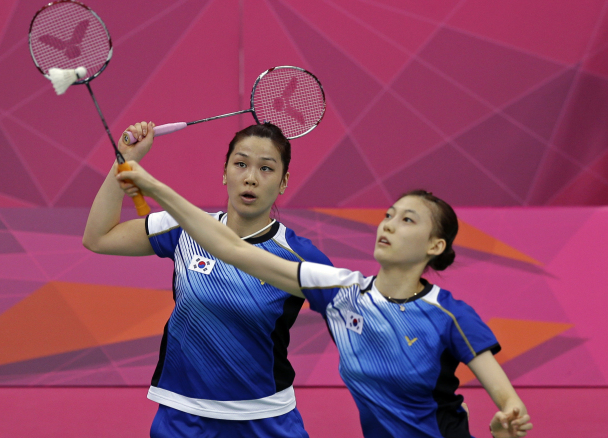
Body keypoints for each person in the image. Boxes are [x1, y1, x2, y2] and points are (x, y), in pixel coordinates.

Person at [114, 160, 534, 438]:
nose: (388, 225)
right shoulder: (342, 294)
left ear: (435, 245)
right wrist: (153, 187)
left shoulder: (449, 316)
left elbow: (508, 402)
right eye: (388, 215)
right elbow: (232, 250)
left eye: (407, 220)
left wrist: (506, 426)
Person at [83, 121, 332, 438]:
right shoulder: (183, 227)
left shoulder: (297, 255)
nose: (250, 178)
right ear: (225, 173)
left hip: (265, 419)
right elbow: (99, 237)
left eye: (266, 169)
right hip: (184, 418)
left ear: (283, 182)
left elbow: (352, 310)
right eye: (240, 164)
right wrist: (124, 158)